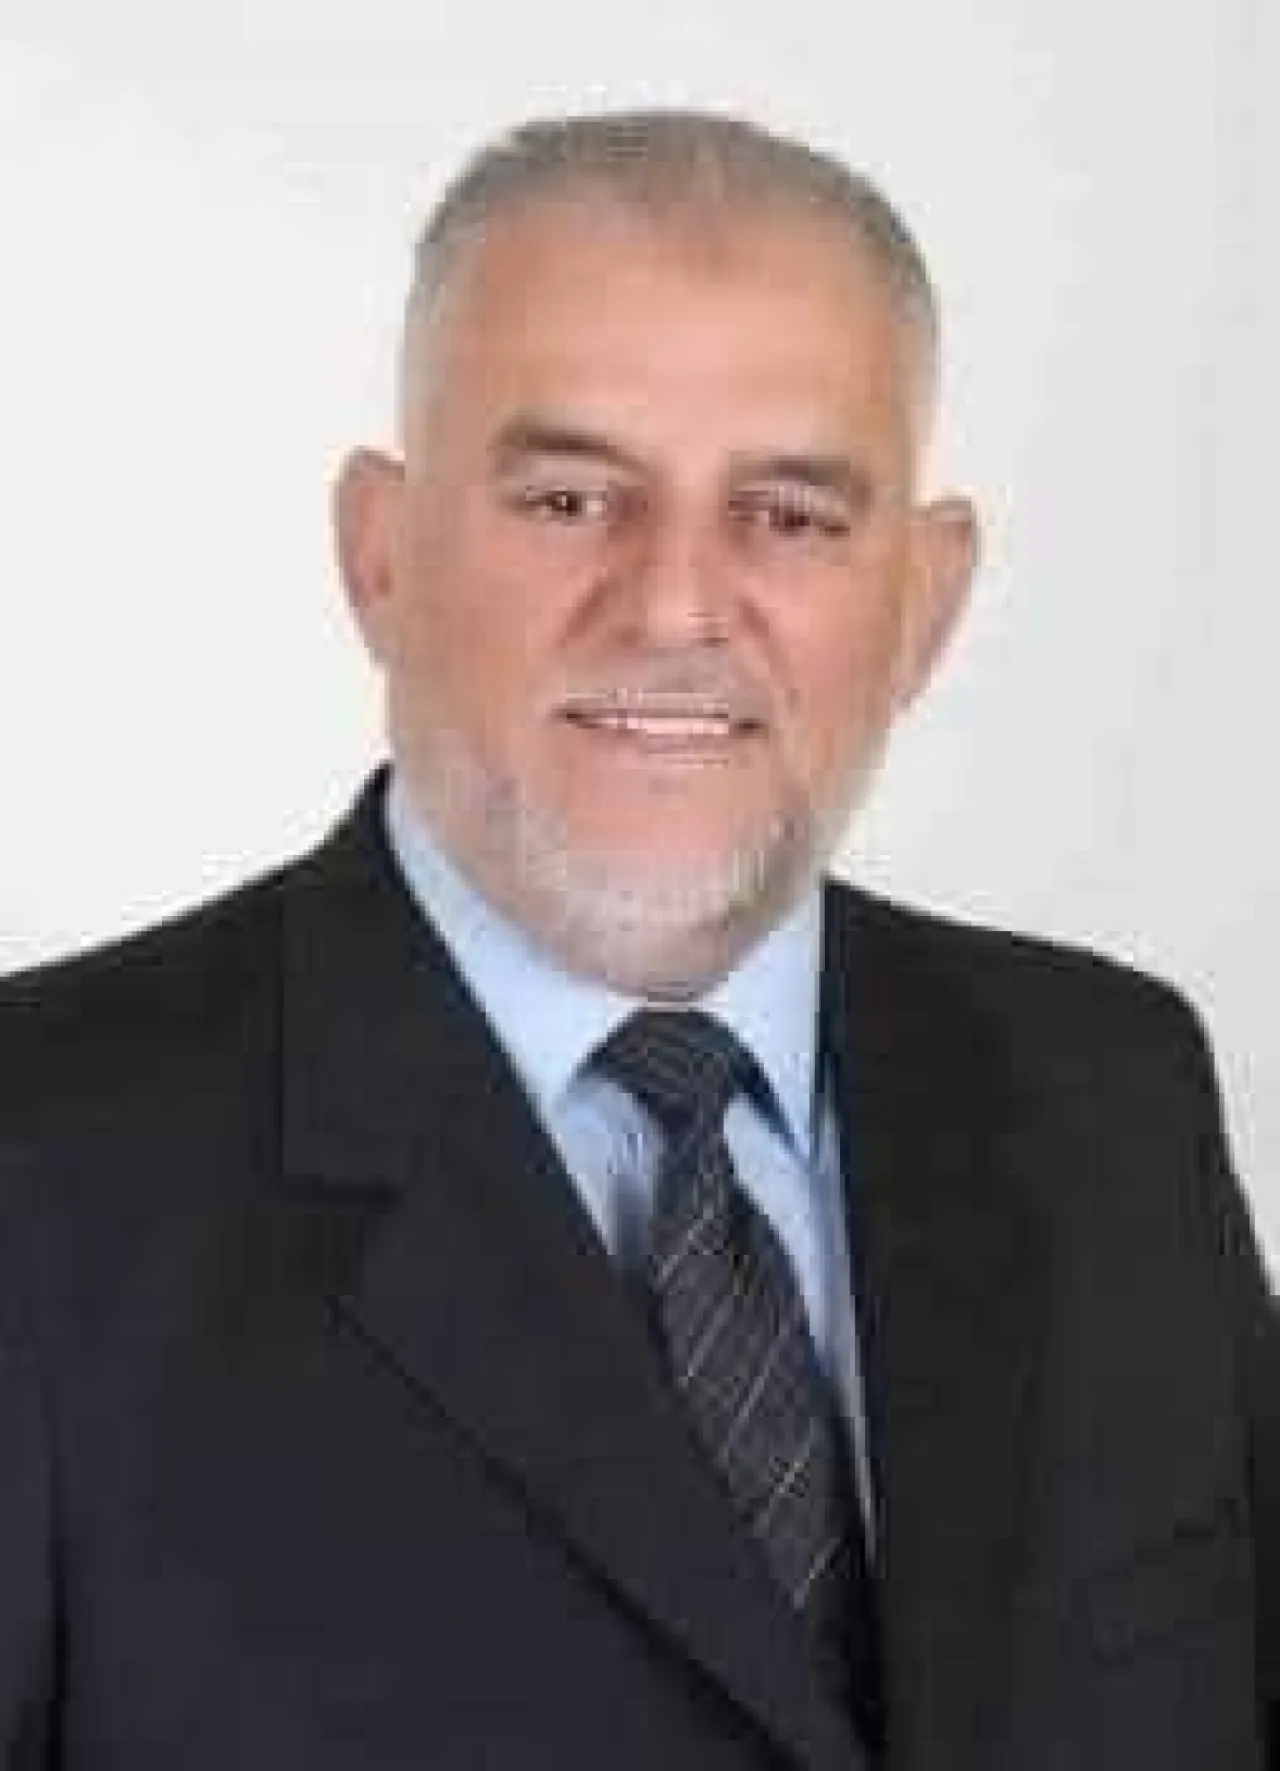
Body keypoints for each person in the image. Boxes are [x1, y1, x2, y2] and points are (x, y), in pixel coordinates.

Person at [0, 109, 1275, 1771]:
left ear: (928, 600)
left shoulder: (1111, 1098)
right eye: (569, 497)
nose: (674, 604)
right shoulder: (41, 1172)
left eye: (791, 515)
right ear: (379, 554)